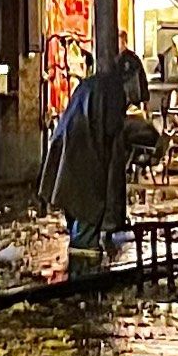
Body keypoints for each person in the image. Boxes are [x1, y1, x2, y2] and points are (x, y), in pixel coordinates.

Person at [38, 64, 131, 259]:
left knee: (79, 224)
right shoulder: (112, 92)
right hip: (85, 164)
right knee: (85, 231)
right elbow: (113, 143)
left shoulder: (92, 85)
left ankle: (79, 274)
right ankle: (83, 278)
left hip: (69, 153)